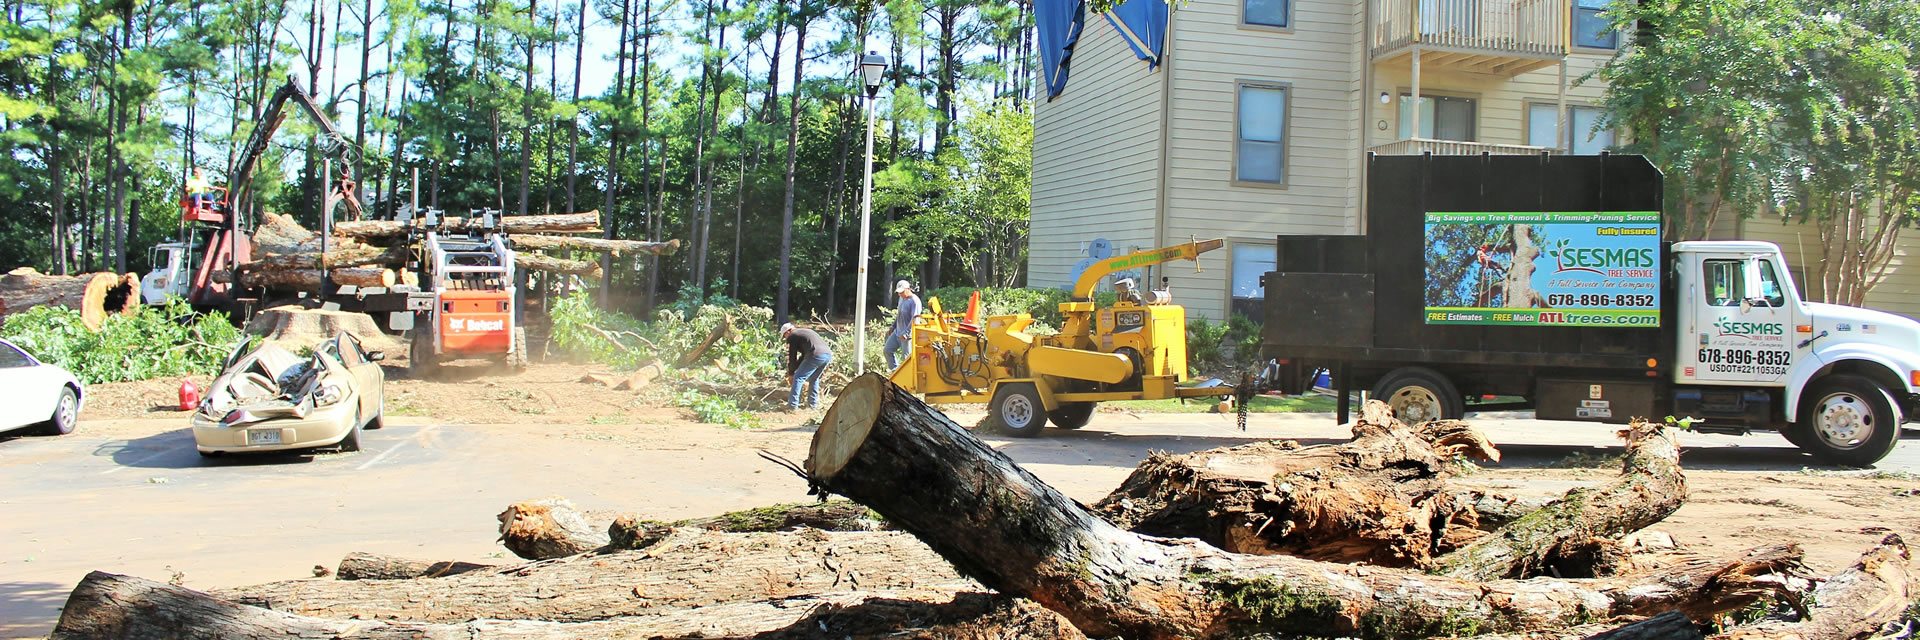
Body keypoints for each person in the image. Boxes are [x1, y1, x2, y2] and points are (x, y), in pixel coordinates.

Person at [781, 322, 834, 411]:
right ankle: (813, 405)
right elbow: (803, 357)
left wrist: (791, 374)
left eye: (784, 336)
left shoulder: (793, 336)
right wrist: (794, 369)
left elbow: (792, 356)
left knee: (798, 377)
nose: (785, 339)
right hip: (827, 355)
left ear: (788, 332)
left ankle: (792, 406)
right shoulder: (804, 332)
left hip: (815, 355)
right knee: (814, 378)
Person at [884, 280, 921, 370]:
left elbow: (914, 320)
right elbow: (899, 315)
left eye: (902, 292)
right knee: (887, 350)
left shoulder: (914, 301)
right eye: (899, 292)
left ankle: (907, 381)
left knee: (906, 360)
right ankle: (894, 372)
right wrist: (893, 327)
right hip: (898, 332)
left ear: (908, 289)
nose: (900, 294)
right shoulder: (901, 299)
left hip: (907, 336)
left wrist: (906, 333)